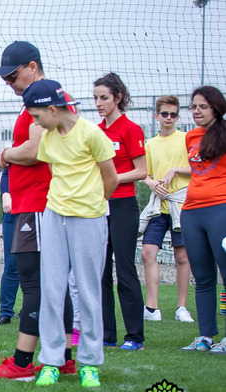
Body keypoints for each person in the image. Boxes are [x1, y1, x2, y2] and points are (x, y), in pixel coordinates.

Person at [0, 41, 75, 381]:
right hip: (33, 203)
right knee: (49, 282)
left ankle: (22, 363)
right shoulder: (39, 102)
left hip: (36, 203)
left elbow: (36, 151)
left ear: (32, 67)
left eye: (13, 75)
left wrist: (6, 154)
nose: (9, 82)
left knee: (33, 281)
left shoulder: (40, 102)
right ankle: (63, 358)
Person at [20, 80, 118, 387]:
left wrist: (90, 205)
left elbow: (110, 178)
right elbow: (55, 175)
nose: (35, 123)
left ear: (52, 109)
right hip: (54, 217)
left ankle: (89, 363)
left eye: (37, 116)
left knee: (88, 291)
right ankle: (51, 361)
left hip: (89, 219)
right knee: (52, 289)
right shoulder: (49, 139)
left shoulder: (92, 134)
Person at [93, 73, 147, 350]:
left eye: (104, 98)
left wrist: (112, 177)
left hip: (124, 205)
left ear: (118, 98)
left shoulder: (131, 129)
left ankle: (135, 337)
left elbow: (142, 171)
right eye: (96, 98)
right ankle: (107, 336)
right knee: (100, 272)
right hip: (100, 205)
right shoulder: (96, 131)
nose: (99, 103)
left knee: (124, 271)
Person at [179, 86, 226, 354]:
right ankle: (205, 336)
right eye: (193, 106)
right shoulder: (190, 136)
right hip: (192, 212)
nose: (196, 111)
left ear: (216, 109)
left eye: (203, 107)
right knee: (203, 277)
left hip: (221, 209)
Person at [139, 95, 193, 323]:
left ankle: (182, 307)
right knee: (147, 252)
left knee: (182, 257)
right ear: (157, 116)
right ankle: (152, 308)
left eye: (173, 114)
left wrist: (175, 171)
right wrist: (152, 183)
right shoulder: (150, 144)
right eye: (164, 114)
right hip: (158, 207)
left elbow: (197, 168)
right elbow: (144, 173)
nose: (168, 118)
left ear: (178, 117)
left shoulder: (187, 138)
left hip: (182, 205)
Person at [0, 167, 19, 326]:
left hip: (34, 209)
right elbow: (6, 174)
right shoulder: (13, 153)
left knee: (35, 264)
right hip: (13, 213)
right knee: (11, 263)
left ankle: (32, 309)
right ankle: (6, 314)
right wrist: (6, 194)